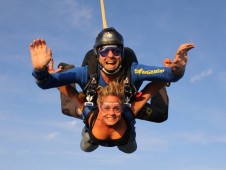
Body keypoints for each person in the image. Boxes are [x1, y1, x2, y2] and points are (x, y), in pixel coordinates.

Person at [30, 27, 194, 122]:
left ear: (122, 54)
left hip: (126, 104)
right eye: (104, 51)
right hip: (92, 103)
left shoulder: (133, 70)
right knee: (68, 108)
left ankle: (161, 84)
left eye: (116, 51)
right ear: (97, 54)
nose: (110, 55)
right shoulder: (86, 73)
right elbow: (44, 83)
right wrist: (40, 71)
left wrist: (175, 70)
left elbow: (174, 75)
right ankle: (64, 69)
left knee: (160, 115)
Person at [68, 80, 165, 153]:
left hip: (125, 142)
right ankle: (86, 130)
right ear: (100, 107)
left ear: (122, 108)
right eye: (106, 108)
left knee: (130, 150)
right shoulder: (90, 115)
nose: (111, 113)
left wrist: (169, 73)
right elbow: (70, 94)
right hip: (93, 138)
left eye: (116, 108)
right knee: (85, 148)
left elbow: (149, 92)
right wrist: (55, 76)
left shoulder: (129, 113)